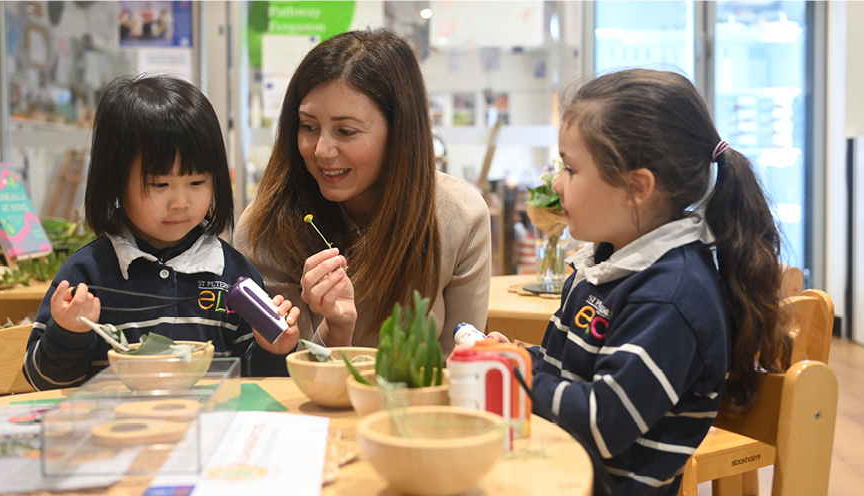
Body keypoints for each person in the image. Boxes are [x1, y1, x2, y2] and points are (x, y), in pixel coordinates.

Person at [487, 69, 791, 494]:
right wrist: (522, 357)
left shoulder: (670, 298)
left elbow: (604, 421)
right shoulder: (607, 264)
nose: (557, 184)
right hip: (557, 464)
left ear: (636, 187)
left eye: (571, 170)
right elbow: (568, 373)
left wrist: (519, 376)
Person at [23, 75, 300, 391]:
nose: (180, 203)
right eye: (160, 184)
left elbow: (252, 386)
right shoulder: (87, 276)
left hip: (208, 434)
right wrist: (69, 332)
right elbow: (43, 382)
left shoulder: (234, 274)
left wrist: (273, 351)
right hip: (119, 434)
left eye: (197, 183)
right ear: (115, 181)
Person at [236, 28, 491, 358]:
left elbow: (460, 364)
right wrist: (337, 330)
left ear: (399, 133)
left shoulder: (460, 216)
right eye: (308, 127)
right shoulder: (266, 227)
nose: (322, 150)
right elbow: (288, 376)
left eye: (346, 131)